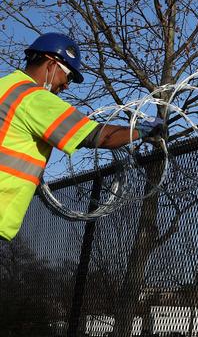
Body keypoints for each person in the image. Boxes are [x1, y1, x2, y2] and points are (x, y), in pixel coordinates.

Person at [0, 32, 162, 241]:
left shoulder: (5, 86)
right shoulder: (33, 98)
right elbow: (99, 137)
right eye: (67, 76)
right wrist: (142, 129)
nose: (66, 85)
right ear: (51, 64)